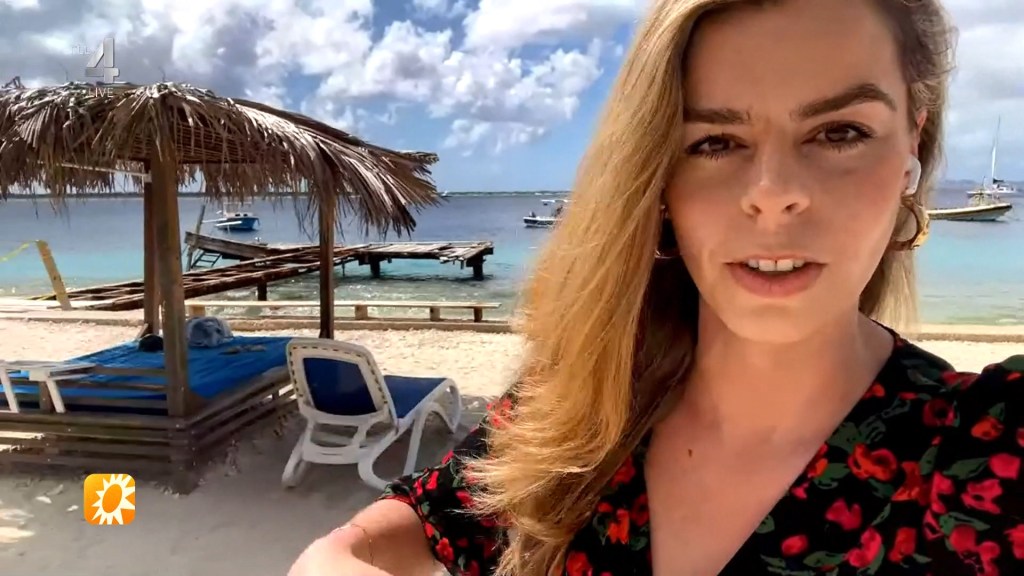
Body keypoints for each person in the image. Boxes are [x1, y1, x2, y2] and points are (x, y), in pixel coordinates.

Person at [289, 0, 1024, 574]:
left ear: (912, 145)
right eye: (715, 142)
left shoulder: (983, 453)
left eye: (839, 132)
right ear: (659, 182)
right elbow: (438, 516)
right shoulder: (586, 408)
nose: (773, 194)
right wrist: (336, 553)